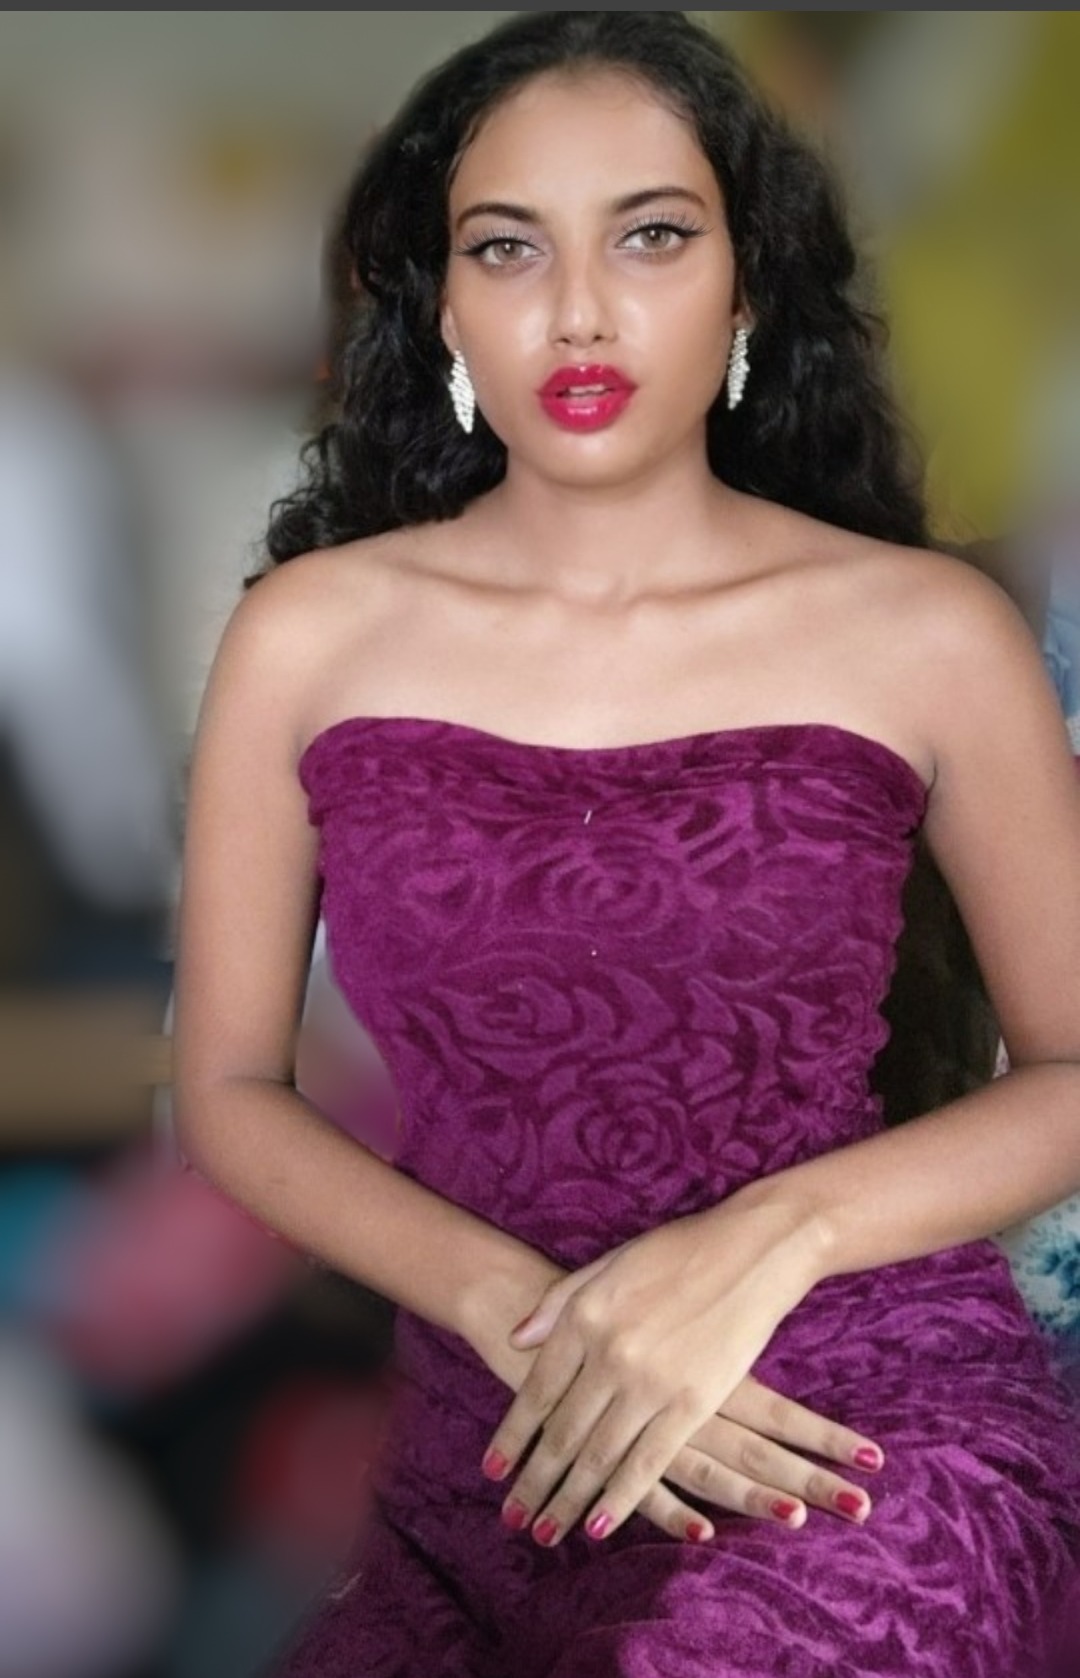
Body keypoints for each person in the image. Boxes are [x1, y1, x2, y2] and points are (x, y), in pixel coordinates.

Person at [172, 13, 1080, 1676]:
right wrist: (519, 1315)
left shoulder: (927, 632)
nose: (579, 311)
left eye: (651, 237)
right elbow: (228, 1086)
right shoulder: (307, 638)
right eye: (507, 248)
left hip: (857, 1427)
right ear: (442, 305)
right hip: (494, 1454)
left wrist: (760, 1243)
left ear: (747, 288)